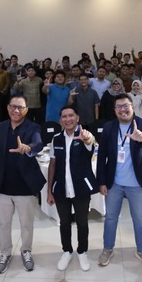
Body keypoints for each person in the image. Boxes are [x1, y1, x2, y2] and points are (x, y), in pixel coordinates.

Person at [96, 93, 142, 269]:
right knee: (110, 218)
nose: (123, 109)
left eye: (126, 106)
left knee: (139, 219)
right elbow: (102, 155)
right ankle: (108, 249)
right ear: (115, 110)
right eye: (119, 107)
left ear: (132, 106)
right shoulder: (109, 127)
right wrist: (101, 182)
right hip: (114, 183)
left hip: (137, 184)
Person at [0, 96, 46, 273]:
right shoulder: (0, 127)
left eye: (20, 107)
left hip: (25, 185)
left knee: (26, 224)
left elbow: (38, 143)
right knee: (3, 223)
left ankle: (26, 251)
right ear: (8, 108)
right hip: (4, 185)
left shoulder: (33, 127)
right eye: (13, 106)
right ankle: (5, 253)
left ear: (26, 109)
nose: (16, 110)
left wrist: (28, 148)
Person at [46, 105, 97, 272]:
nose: (67, 119)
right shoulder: (56, 139)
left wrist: (86, 139)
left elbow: (90, 144)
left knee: (82, 222)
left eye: (71, 116)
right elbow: (52, 164)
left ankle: (82, 251)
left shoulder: (85, 135)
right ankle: (67, 251)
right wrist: (49, 191)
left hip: (81, 188)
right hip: (61, 188)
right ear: (60, 120)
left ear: (77, 118)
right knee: (64, 222)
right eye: (64, 116)